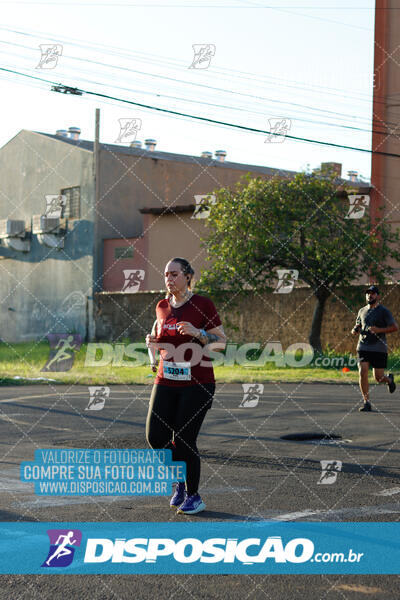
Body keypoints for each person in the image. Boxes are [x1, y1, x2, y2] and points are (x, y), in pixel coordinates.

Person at [145, 257, 226, 514]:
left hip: (197, 383)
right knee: (155, 437)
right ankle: (179, 479)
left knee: (183, 439)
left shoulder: (203, 304)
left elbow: (221, 344)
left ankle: (194, 496)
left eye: (175, 274)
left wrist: (198, 333)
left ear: (188, 276)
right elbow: (161, 337)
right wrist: (153, 342)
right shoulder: (161, 306)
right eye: (166, 274)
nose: (169, 279)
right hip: (166, 380)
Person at [351, 285, 398, 412]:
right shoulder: (361, 311)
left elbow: (394, 327)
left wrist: (379, 330)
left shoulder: (384, 311)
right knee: (362, 371)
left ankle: (389, 380)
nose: (369, 295)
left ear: (378, 296)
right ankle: (366, 402)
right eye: (368, 293)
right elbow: (357, 325)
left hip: (379, 348)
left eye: (372, 293)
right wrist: (355, 330)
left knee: (378, 377)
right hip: (363, 346)